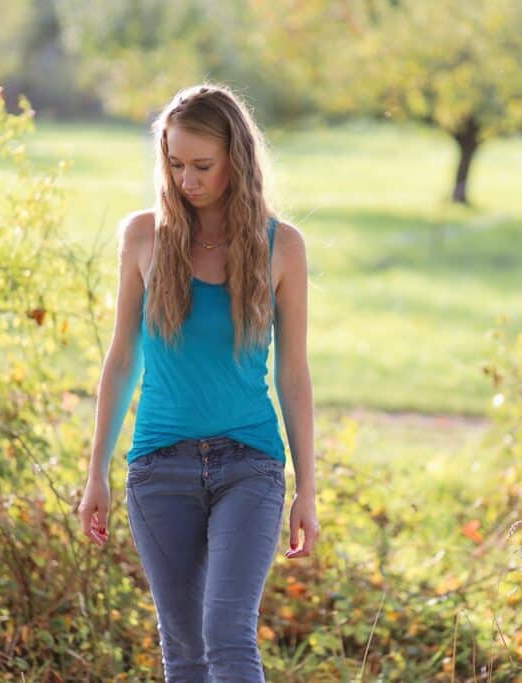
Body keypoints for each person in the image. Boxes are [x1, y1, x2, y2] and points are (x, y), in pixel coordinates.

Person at [76, 83, 320, 682]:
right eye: (176, 164)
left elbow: (293, 374)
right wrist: (95, 472)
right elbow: (122, 359)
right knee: (184, 650)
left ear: (237, 157)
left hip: (250, 464)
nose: (187, 179)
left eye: (203, 165)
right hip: (159, 466)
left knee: (228, 634)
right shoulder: (143, 236)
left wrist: (308, 489)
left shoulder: (282, 246)